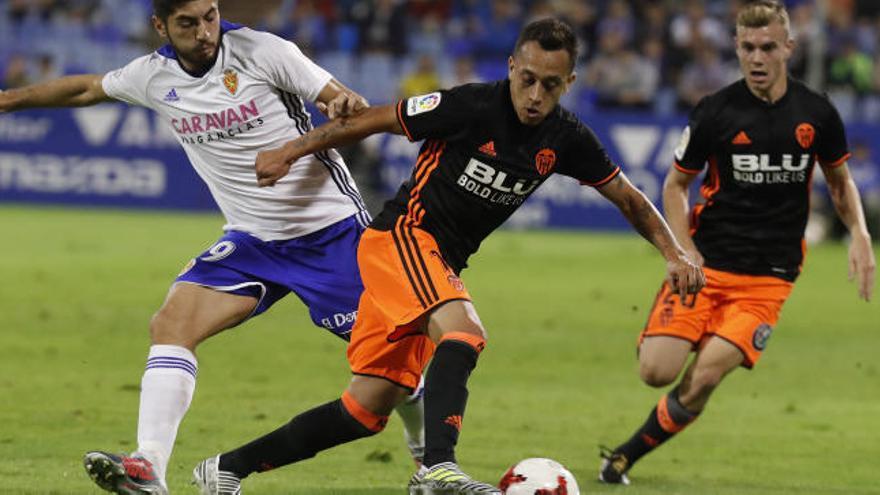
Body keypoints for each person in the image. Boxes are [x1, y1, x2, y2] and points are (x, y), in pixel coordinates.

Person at [190, 18, 705, 495]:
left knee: (365, 409)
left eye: (550, 84)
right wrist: (290, 151)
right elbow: (373, 120)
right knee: (464, 331)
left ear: (569, 82)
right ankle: (438, 467)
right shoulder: (471, 106)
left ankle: (225, 468)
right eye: (527, 78)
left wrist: (674, 252)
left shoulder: (566, 138)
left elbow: (629, 198)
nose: (535, 94)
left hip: (435, 263)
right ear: (511, 67)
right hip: (402, 239)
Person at [0, 1, 426, 493]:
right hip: (251, 239)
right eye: (188, 23)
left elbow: (339, 98)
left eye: (210, 15)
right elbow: (88, 87)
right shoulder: (153, 75)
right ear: (160, 26)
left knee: (392, 364)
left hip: (329, 234)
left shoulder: (264, 51)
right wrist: (9, 100)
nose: (205, 31)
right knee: (172, 323)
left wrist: (339, 104)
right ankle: (149, 468)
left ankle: (429, 465)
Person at [598, 1, 876, 485]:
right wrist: (683, 253)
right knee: (656, 371)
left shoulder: (816, 113)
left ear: (788, 48)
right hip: (707, 266)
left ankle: (624, 456)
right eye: (748, 47)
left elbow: (839, 182)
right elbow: (674, 186)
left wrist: (860, 234)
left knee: (704, 378)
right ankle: (707, 335)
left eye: (768, 47)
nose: (757, 58)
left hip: (768, 279)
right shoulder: (716, 112)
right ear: (736, 47)